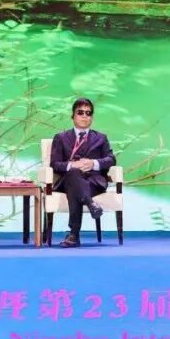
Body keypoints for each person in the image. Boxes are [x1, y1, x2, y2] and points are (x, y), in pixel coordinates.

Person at [49, 97, 116, 248]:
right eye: (80, 112)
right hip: (68, 181)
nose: (85, 116)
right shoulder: (61, 138)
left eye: (88, 113)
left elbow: (111, 159)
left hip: (93, 182)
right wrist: (73, 165)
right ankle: (90, 203)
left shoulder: (101, 138)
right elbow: (54, 164)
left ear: (92, 117)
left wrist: (94, 163)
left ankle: (74, 235)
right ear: (73, 116)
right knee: (73, 174)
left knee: (75, 187)